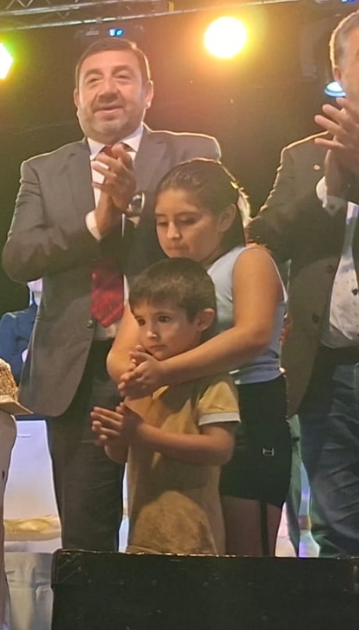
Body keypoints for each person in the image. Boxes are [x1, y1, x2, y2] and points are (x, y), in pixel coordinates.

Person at [2, 37, 221, 551]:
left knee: (181, 529)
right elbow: (18, 258)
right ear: (76, 99)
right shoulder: (42, 170)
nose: (107, 89)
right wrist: (96, 224)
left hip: (175, 365)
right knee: (84, 537)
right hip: (77, 373)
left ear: (149, 92)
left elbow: (212, 239)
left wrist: (135, 207)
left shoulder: (193, 152)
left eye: (122, 76)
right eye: (93, 80)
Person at [107, 159, 289, 556]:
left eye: (187, 221)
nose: (172, 235)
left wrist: (162, 372)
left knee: (245, 562)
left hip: (248, 413)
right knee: (184, 545)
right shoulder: (160, 276)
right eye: (161, 223)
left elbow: (253, 334)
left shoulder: (249, 260)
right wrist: (136, 378)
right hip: (176, 416)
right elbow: (120, 353)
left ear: (224, 217)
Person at [249, 4, 359, 557]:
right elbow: (264, 237)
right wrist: (328, 187)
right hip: (325, 376)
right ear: (340, 72)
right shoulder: (302, 158)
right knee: (342, 541)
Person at [91, 258, 239, 555]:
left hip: (194, 543)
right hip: (143, 538)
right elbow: (123, 454)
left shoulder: (211, 380)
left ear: (202, 320)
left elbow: (220, 449)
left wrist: (141, 434)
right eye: (141, 321)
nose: (150, 333)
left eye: (164, 319)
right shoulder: (140, 382)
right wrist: (115, 437)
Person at [0, 278, 42, 383]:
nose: (38, 274)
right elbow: (4, 375)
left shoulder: (72, 320)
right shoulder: (12, 322)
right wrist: (30, 354)